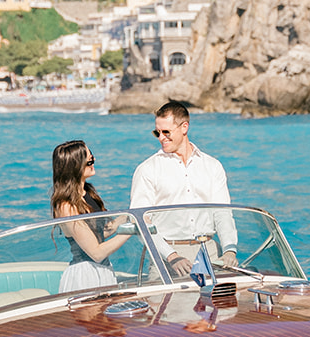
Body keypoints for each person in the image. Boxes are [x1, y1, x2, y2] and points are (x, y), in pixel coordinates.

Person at [129, 100, 237, 276]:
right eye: (157, 132)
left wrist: (230, 249)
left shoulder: (212, 165)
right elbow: (140, 221)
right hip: (166, 257)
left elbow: (222, 212)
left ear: (184, 127)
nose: (161, 138)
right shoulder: (147, 169)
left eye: (166, 132)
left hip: (209, 253)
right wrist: (171, 256)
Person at [51, 140, 130, 293]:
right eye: (89, 161)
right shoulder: (66, 206)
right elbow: (96, 252)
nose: (93, 163)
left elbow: (100, 232)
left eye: (92, 158)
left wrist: (132, 215)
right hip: (85, 276)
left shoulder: (87, 194)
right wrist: (130, 231)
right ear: (75, 166)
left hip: (103, 270)